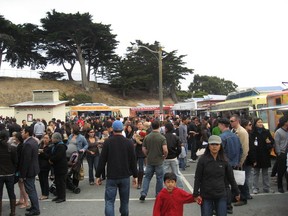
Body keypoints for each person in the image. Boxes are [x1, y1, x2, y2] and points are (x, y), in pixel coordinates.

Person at [95, 120, 138, 216]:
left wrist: (98, 175)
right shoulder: (129, 143)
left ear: (112, 130)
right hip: (125, 176)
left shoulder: (108, 142)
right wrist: (135, 176)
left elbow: (102, 160)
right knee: (125, 202)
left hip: (112, 176)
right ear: (122, 129)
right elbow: (133, 161)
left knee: (109, 202)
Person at [193, 135, 240, 216]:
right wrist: (195, 193)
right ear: (209, 146)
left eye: (217, 144)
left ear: (220, 146)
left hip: (221, 195)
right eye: (212, 144)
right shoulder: (203, 160)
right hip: (206, 195)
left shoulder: (225, 161)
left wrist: (237, 192)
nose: (214, 146)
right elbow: (198, 178)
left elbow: (231, 178)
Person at [139, 120, 168, 201]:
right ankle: (158, 194)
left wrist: (147, 155)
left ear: (151, 126)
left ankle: (144, 193)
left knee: (147, 177)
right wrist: (164, 156)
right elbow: (165, 150)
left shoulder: (147, 137)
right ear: (159, 126)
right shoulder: (162, 137)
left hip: (150, 160)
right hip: (159, 160)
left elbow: (144, 149)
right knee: (159, 178)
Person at [19, 126, 40, 216]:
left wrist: (22, 175)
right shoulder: (33, 141)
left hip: (29, 170)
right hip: (34, 168)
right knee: (32, 189)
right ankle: (34, 206)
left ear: (27, 133)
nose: (22, 133)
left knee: (30, 190)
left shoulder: (28, 144)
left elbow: (26, 160)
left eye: (23, 132)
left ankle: (35, 209)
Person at [251, 118, 275, 194]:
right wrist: (253, 158)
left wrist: (269, 142)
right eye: (259, 122)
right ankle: (255, 188)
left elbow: (272, 141)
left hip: (265, 155)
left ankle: (266, 187)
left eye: (261, 122)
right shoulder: (252, 133)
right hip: (256, 155)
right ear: (255, 123)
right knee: (256, 173)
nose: (260, 123)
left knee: (265, 173)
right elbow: (251, 145)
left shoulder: (266, 132)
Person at [0, 127, 18, 216]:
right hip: (10, 173)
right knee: (11, 193)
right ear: (7, 138)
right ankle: (13, 212)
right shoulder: (12, 148)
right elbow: (16, 162)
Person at [163, 122, 184, 188]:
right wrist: (176, 154)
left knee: (163, 174)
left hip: (165, 158)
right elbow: (179, 148)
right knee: (177, 173)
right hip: (173, 157)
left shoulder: (163, 137)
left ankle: (163, 189)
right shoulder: (176, 137)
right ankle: (180, 188)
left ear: (166, 129)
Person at [49, 132, 68, 203]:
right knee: (57, 182)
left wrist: (51, 159)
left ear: (57, 139)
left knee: (61, 182)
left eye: (53, 138)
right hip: (57, 167)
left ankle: (62, 197)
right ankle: (58, 195)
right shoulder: (55, 145)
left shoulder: (61, 146)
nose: (52, 139)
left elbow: (58, 156)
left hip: (61, 167)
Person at [273, 116, 288, 193]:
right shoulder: (278, 132)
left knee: (287, 171)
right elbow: (276, 143)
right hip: (282, 153)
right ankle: (280, 186)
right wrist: (279, 153)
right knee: (281, 171)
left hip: (287, 153)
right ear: (285, 122)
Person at [38, 134, 52, 200]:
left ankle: (46, 194)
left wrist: (42, 153)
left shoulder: (50, 146)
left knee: (45, 179)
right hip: (39, 164)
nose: (45, 139)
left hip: (45, 165)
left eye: (47, 138)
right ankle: (43, 193)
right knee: (41, 180)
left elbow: (48, 156)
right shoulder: (40, 145)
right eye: (44, 138)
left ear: (49, 139)